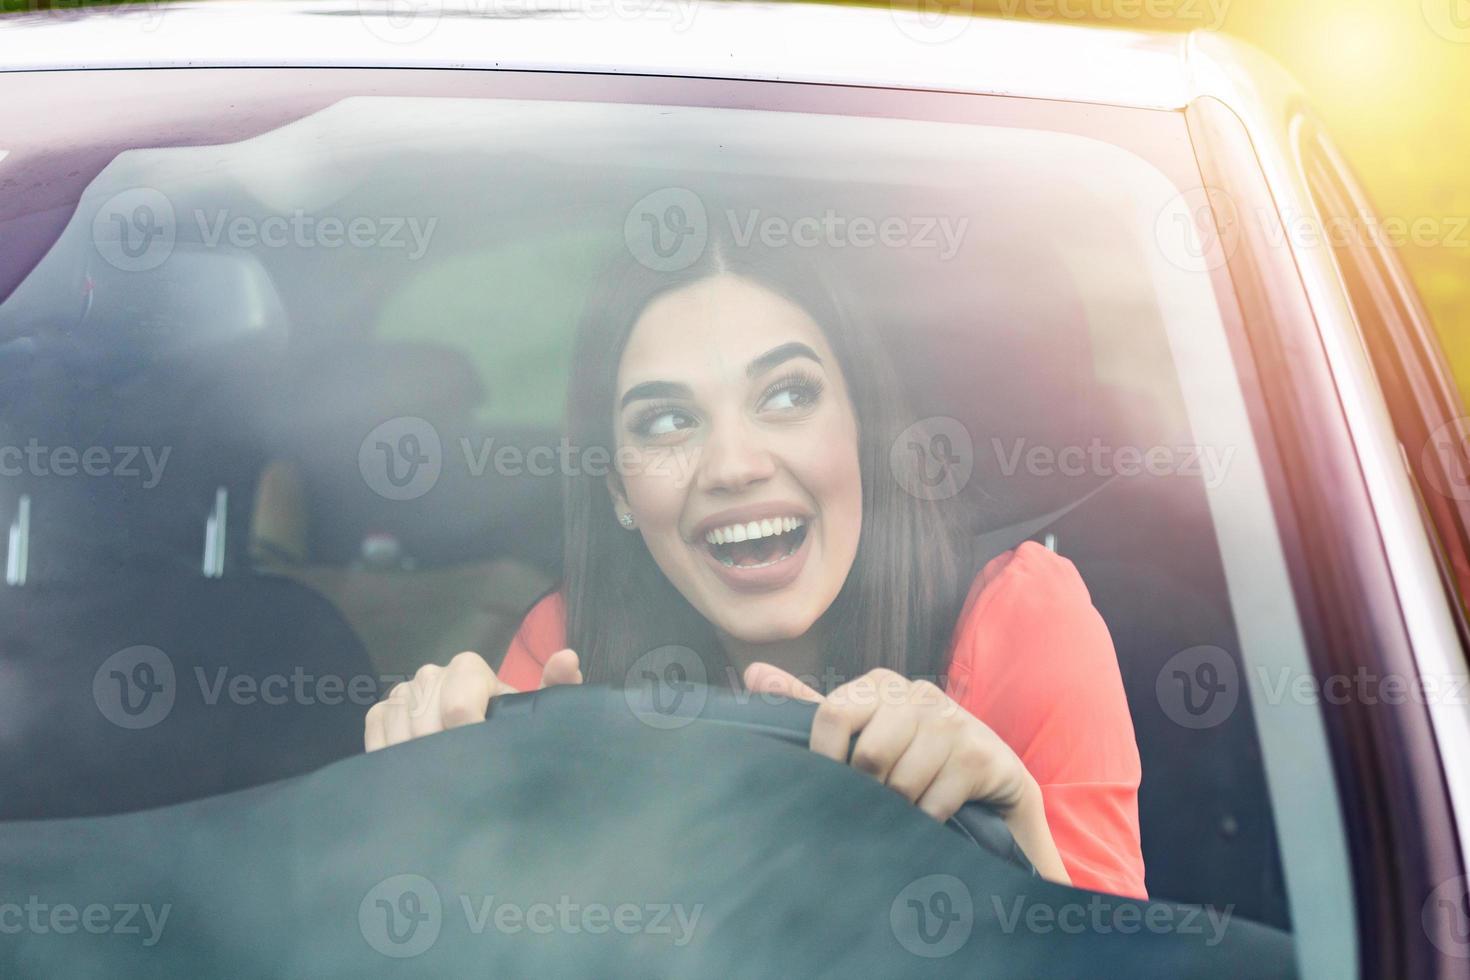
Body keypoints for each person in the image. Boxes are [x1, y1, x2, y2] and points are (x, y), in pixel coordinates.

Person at [364, 225, 1146, 899]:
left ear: (863, 432)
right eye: (669, 420)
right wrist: (436, 809)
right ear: (618, 486)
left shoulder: (1019, 621)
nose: (733, 464)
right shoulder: (569, 642)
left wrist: (1017, 831)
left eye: (786, 396)